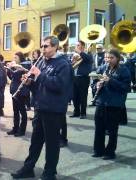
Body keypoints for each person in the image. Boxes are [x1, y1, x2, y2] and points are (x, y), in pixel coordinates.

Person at [11, 36, 72, 180]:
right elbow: (39, 85)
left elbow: (59, 86)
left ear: (55, 47)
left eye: (46, 46)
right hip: (41, 107)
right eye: (42, 46)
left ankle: (49, 173)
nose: (43, 49)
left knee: (51, 144)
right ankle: (28, 168)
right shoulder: (43, 62)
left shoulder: (63, 64)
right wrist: (29, 82)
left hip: (53, 109)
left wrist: (39, 75)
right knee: (35, 141)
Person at [92, 49, 131, 160]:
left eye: (111, 58)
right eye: (107, 57)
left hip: (114, 103)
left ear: (117, 58)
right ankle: (98, 150)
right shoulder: (103, 68)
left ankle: (110, 152)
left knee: (112, 130)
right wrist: (97, 85)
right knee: (99, 128)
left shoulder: (124, 70)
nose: (108, 60)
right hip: (101, 102)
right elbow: (94, 81)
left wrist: (110, 81)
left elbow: (126, 88)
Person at [6, 52, 30, 137]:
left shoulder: (25, 66)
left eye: (15, 57)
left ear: (20, 58)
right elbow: (11, 77)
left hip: (21, 92)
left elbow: (23, 76)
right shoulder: (15, 66)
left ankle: (22, 130)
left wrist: (18, 68)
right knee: (15, 111)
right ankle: (15, 128)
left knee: (22, 111)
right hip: (14, 91)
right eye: (14, 57)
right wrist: (8, 69)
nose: (14, 59)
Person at [70, 40, 93, 119]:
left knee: (83, 96)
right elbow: (71, 65)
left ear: (82, 46)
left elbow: (88, 59)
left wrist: (79, 52)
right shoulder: (75, 55)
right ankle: (76, 112)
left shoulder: (87, 54)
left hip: (83, 78)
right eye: (76, 45)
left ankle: (83, 113)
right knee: (74, 96)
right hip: (74, 78)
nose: (76, 46)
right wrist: (72, 60)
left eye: (78, 45)